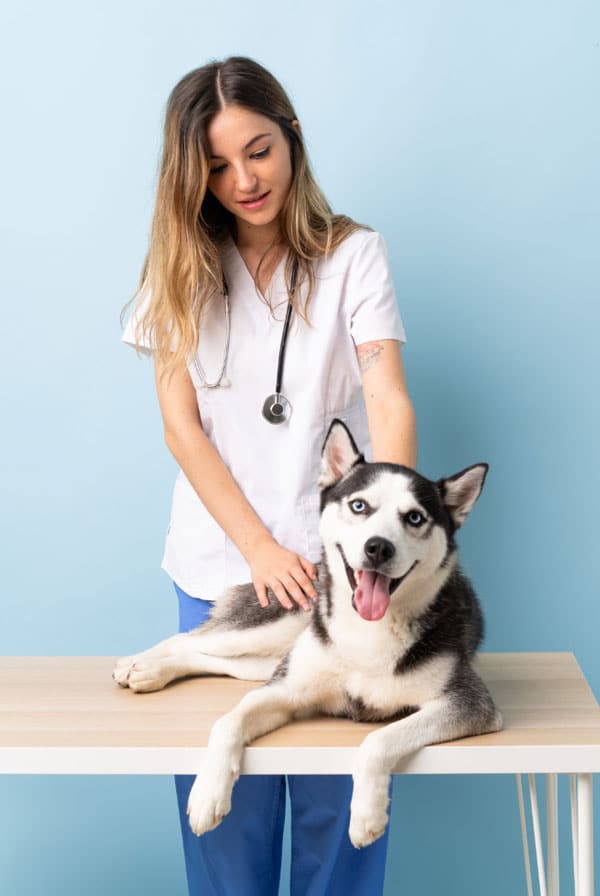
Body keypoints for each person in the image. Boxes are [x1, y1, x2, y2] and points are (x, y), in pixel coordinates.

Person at [120, 55, 417, 896]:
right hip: (219, 568)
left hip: (342, 578)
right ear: (192, 173)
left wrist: (380, 537)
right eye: (216, 165)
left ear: (291, 136)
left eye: (259, 150)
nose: (244, 179)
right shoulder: (174, 272)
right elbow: (182, 429)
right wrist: (256, 548)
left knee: (341, 808)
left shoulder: (355, 255)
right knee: (226, 807)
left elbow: (388, 397)